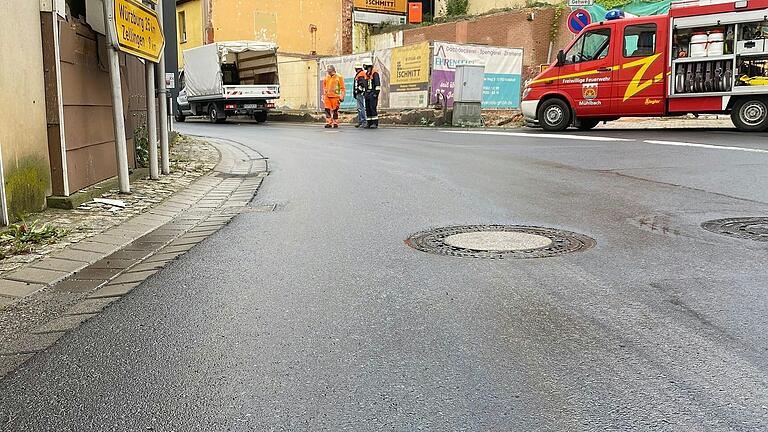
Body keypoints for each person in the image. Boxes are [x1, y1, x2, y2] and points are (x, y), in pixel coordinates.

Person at [363, 61, 380, 129]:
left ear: (368, 65)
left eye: (365, 65)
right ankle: (369, 123)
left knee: (373, 108)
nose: (364, 67)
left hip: (373, 94)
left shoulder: (374, 73)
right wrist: (365, 93)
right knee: (368, 109)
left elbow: (377, 84)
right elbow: (366, 85)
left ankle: (374, 123)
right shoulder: (367, 74)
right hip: (367, 94)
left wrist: (375, 94)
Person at [353, 63, 367, 128]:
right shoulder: (360, 74)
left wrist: (358, 91)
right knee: (359, 108)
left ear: (356, 68)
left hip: (360, 93)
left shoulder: (361, 74)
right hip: (358, 93)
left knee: (361, 108)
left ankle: (363, 121)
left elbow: (362, 84)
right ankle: (360, 121)